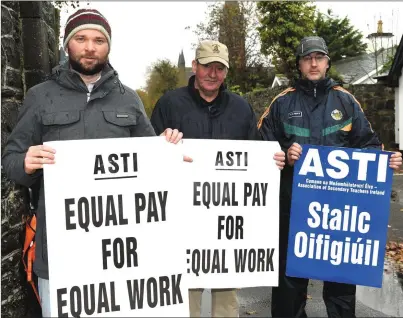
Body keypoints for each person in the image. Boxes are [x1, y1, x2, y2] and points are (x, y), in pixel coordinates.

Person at [1, 8, 187, 317]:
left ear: (108, 46)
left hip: (120, 254)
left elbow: (151, 164)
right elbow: (10, 159)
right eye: (82, 38)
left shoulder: (128, 99)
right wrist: (26, 162)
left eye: (99, 40)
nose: (90, 47)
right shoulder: (39, 96)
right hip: (61, 253)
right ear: (67, 44)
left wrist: (167, 149)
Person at [258, 36, 402, 318]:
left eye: (319, 58)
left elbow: (369, 145)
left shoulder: (346, 101)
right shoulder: (281, 103)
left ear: (327, 62)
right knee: (289, 289)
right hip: (292, 210)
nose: (313, 63)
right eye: (307, 58)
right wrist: (286, 154)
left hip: (338, 216)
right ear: (299, 64)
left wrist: (387, 162)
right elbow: (260, 147)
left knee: (341, 291)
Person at [150, 40, 286, 317]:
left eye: (219, 68)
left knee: (226, 302)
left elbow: (255, 155)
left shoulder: (240, 107)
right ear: (194, 66)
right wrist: (160, 146)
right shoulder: (169, 104)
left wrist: (272, 160)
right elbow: (148, 157)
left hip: (227, 224)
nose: (212, 74)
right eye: (207, 66)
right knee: (185, 298)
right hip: (182, 218)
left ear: (226, 72)